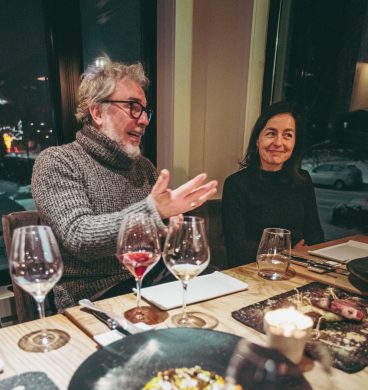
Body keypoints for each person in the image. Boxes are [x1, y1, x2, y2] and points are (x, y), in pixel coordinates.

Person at [31, 56, 217, 310]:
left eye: (144, 110)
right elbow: (79, 236)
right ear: (97, 112)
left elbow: (154, 238)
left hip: (153, 281)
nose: (144, 120)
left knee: (220, 302)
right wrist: (154, 211)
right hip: (93, 297)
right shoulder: (58, 161)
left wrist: (169, 225)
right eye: (133, 107)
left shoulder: (143, 167)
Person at [222, 101, 324, 267]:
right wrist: (287, 253)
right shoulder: (236, 184)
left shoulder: (303, 180)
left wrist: (306, 254)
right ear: (257, 140)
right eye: (271, 133)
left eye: (287, 135)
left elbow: (315, 234)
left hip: (301, 267)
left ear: (294, 144)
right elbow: (237, 249)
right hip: (254, 269)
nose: (278, 143)